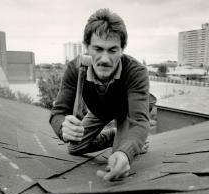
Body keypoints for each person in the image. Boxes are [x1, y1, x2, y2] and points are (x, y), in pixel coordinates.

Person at [49, 8, 150, 181]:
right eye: (98, 49)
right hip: (99, 111)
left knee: (117, 157)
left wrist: (126, 153)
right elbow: (58, 112)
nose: (104, 59)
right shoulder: (75, 69)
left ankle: (126, 140)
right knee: (74, 148)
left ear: (122, 49)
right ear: (87, 47)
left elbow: (140, 121)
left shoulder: (136, 72)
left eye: (112, 50)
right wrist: (62, 127)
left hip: (125, 112)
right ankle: (113, 135)